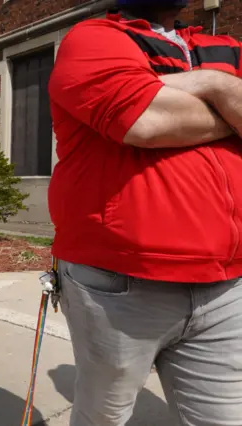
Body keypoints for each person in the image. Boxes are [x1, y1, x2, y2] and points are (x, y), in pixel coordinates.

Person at [47, 2, 242, 425]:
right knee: (104, 414)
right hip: (118, 284)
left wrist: (184, 86)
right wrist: (223, 90)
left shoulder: (226, 45)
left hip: (227, 285)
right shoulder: (93, 37)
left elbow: (153, 108)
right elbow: (145, 121)